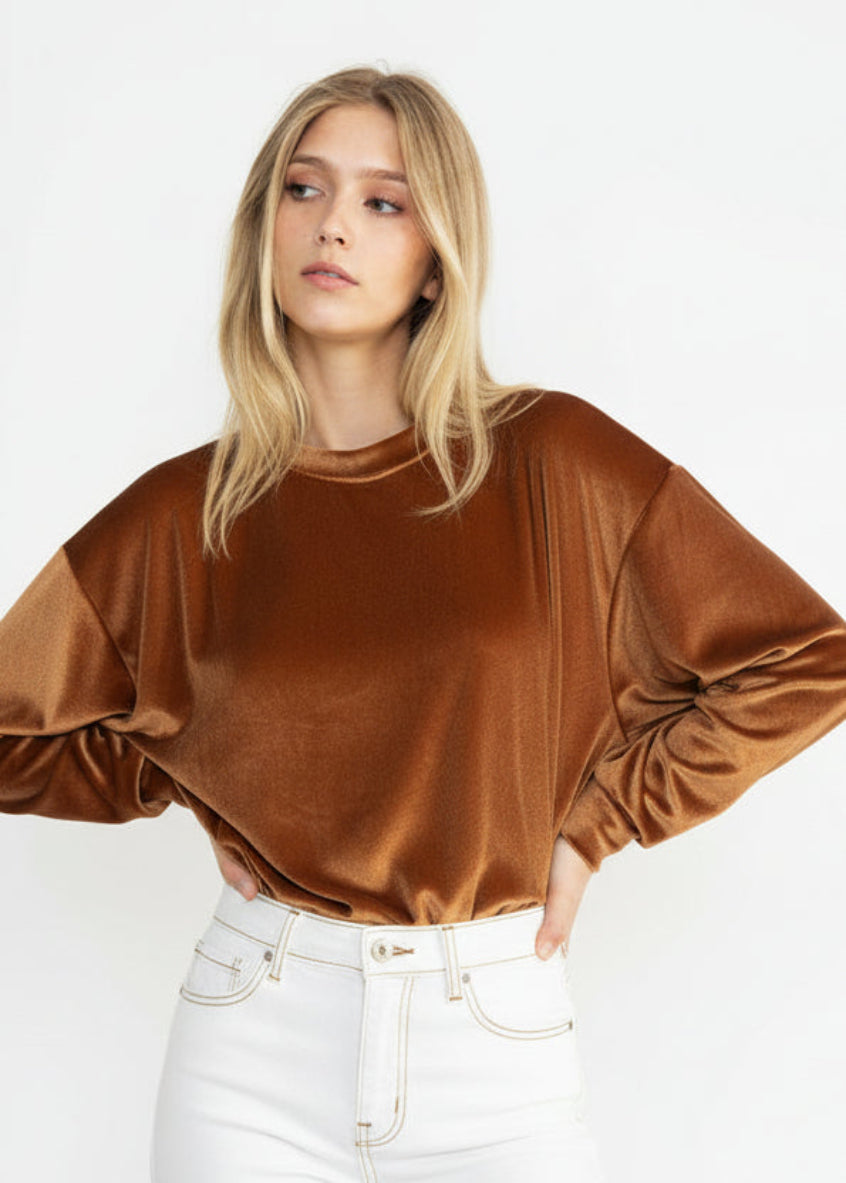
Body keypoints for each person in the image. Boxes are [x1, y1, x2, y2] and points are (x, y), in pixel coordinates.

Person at [1, 63, 845, 1183]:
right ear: (263, 227)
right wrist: (174, 776)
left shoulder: (554, 459)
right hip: (255, 1030)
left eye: (382, 200)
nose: (334, 225)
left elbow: (805, 657)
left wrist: (602, 820)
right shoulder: (182, 513)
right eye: (303, 190)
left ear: (436, 254)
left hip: (492, 1037)